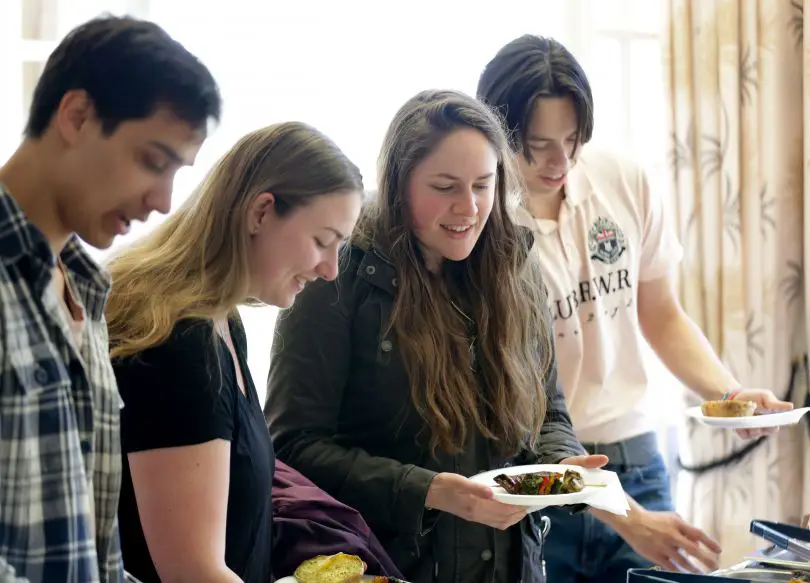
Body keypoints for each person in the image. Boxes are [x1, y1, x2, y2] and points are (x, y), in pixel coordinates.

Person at [476, 34, 795, 580]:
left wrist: (731, 395)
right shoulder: (483, 224)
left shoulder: (622, 180)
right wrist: (620, 512)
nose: (561, 161)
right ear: (499, 132)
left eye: (573, 139)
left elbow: (662, 314)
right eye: (538, 144)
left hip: (635, 456)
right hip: (538, 474)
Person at [264, 89, 606, 583]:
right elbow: (293, 447)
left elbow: (548, 409)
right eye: (445, 187)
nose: (468, 207)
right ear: (400, 185)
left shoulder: (516, 266)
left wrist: (562, 464)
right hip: (390, 565)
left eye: (483, 185)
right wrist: (425, 490)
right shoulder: (339, 274)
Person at [0, 15, 219, 582]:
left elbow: (93, 556)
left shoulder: (88, 290)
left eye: (178, 173)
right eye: (153, 161)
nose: (164, 201)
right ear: (77, 116)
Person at [106, 122, 364, 583]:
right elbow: (193, 571)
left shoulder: (223, 323)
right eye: (323, 241)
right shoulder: (178, 345)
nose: (330, 269)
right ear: (261, 212)